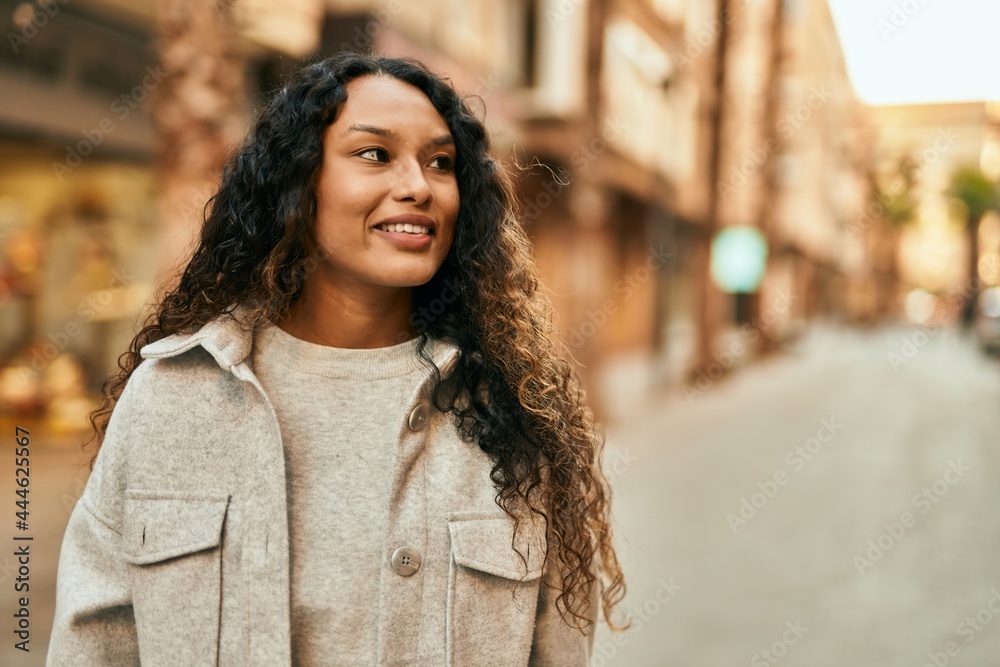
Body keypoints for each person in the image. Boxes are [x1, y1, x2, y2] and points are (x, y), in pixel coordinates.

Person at [47, 52, 627, 666]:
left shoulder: (515, 412)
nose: (418, 186)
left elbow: (558, 652)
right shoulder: (171, 396)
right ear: (299, 182)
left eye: (440, 163)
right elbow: (94, 644)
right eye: (374, 154)